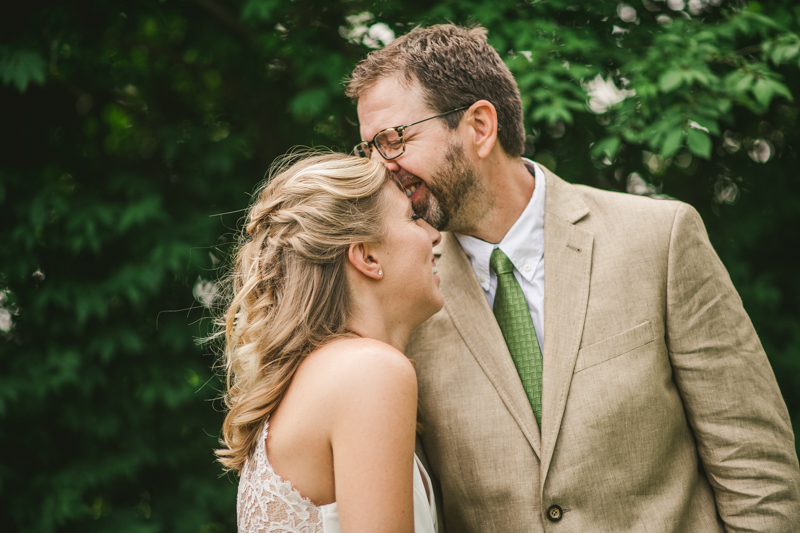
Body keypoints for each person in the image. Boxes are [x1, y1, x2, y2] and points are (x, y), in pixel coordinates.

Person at [346, 24, 800, 532]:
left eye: (392, 141)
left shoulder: (660, 239)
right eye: (368, 150)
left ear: (478, 127)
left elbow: (757, 471)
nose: (379, 170)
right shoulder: (404, 298)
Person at [216, 153, 441, 532]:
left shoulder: (308, 381)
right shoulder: (370, 372)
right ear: (367, 256)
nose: (434, 234)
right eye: (413, 217)